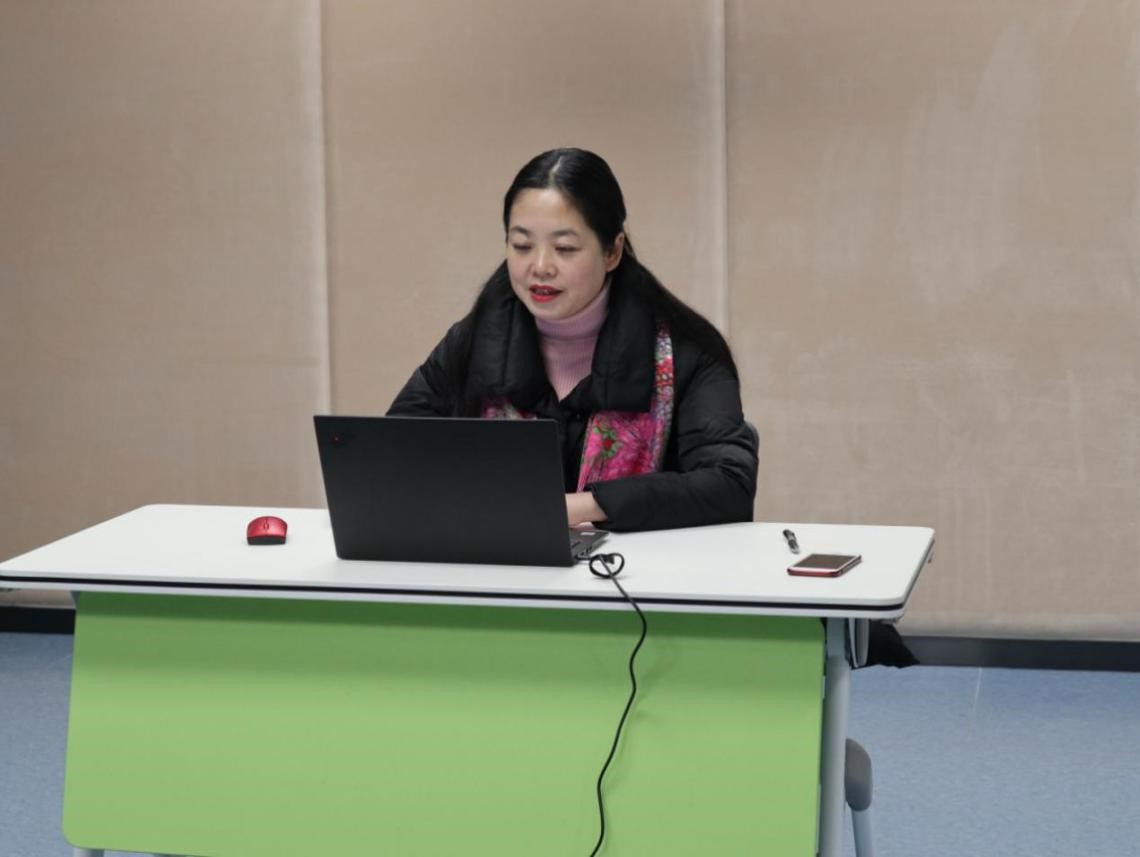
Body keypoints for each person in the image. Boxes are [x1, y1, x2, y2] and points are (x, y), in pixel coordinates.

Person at [388, 148, 758, 531]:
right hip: (498, 559)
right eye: (522, 246)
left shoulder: (687, 352)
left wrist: (584, 507)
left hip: (642, 566)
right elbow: (392, 452)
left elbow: (729, 483)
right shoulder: (474, 340)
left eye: (564, 249)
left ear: (612, 251)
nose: (540, 267)